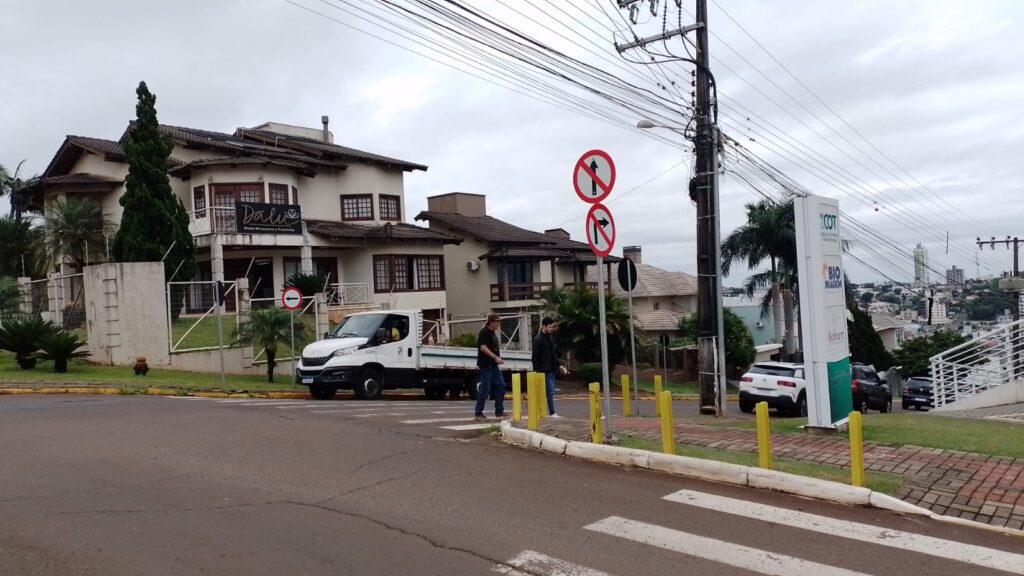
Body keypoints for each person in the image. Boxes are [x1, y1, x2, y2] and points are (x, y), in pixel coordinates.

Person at [532, 317, 568, 418]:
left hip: (551, 369)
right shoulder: (538, 339)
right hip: (543, 370)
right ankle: (551, 412)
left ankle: (547, 412)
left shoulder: (549, 339)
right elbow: (535, 357)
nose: (552, 329)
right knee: (550, 391)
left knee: (549, 392)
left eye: (552, 326)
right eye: (550, 327)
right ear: (544, 326)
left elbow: (553, 355)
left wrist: (559, 365)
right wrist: (536, 371)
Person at [475, 314, 506, 421]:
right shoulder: (484, 332)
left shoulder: (492, 333)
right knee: (485, 389)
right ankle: (478, 413)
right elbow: (483, 347)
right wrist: (495, 357)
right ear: (491, 322)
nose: (498, 324)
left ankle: (499, 410)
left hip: (493, 365)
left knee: (501, 385)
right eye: (497, 322)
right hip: (486, 365)